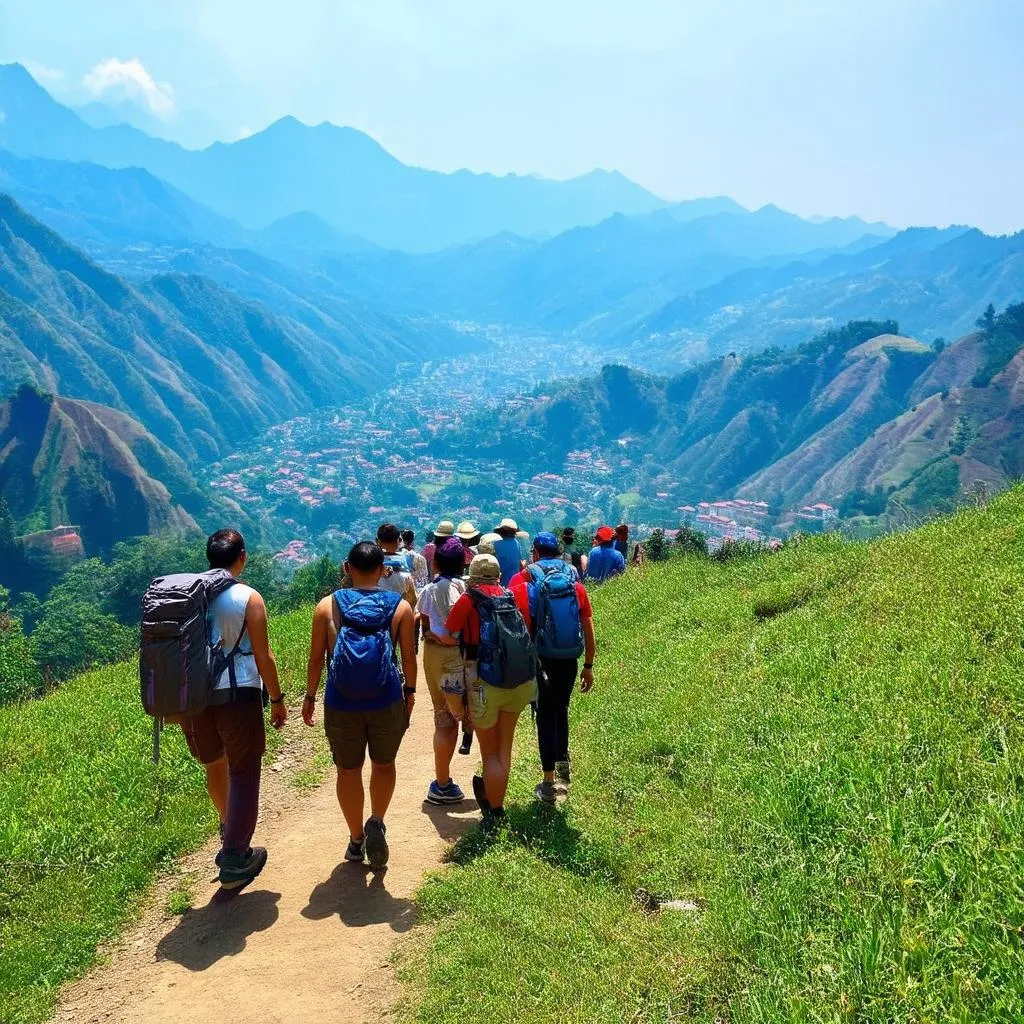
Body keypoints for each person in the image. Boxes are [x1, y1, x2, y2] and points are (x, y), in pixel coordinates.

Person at [180, 529, 287, 891]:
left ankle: (228, 829)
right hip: (236, 695)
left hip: (195, 699)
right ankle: (236, 855)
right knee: (243, 772)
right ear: (242, 557)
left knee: (216, 765)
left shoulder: (188, 596)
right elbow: (263, 656)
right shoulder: (248, 598)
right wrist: (276, 698)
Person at [303, 542, 417, 869]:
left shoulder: (327, 607)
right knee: (384, 764)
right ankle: (376, 822)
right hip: (385, 698)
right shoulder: (400, 608)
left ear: (346, 568)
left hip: (341, 701)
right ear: (383, 570)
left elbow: (315, 661)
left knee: (348, 770)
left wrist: (310, 697)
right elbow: (408, 659)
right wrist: (409, 694)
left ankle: (356, 840)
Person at [445, 554, 536, 831]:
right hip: (519, 681)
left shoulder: (469, 598)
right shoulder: (510, 596)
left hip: (484, 682)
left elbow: (450, 633)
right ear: (497, 574)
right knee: (504, 748)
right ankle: (496, 802)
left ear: (472, 575)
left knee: (490, 754)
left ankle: (496, 814)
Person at [515, 533, 596, 804]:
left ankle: (549, 783)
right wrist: (588, 666)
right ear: (559, 552)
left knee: (545, 716)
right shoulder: (575, 585)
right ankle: (563, 769)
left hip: (541, 660)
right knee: (561, 711)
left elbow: (521, 626)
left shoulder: (526, 582)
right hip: (570, 660)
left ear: (536, 552)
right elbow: (588, 628)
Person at [416, 537, 470, 804]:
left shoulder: (428, 590)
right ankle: (443, 783)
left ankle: (442, 781)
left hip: (433, 656)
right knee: (459, 714)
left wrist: (438, 637)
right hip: (455, 657)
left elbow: (425, 627)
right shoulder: (464, 588)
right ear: (463, 563)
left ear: (435, 562)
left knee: (442, 717)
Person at [376, 523, 418, 607]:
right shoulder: (406, 558)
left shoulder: (374, 560)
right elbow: (412, 600)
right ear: (398, 540)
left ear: (378, 541)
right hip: (399, 608)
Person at [492, 517, 526, 585]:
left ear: (500, 532)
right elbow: (520, 565)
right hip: (514, 584)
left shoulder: (495, 544)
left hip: (500, 584)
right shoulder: (517, 544)